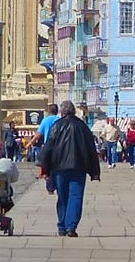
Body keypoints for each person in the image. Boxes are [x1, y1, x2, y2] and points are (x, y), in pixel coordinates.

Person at [37, 100, 101, 237]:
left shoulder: (57, 126)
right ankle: (71, 226)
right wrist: (94, 171)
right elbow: (91, 150)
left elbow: (48, 148)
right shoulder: (82, 127)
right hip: (78, 168)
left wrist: (44, 167)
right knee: (76, 197)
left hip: (59, 168)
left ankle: (62, 226)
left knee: (63, 197)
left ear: (62, 112)